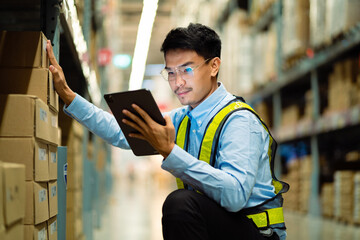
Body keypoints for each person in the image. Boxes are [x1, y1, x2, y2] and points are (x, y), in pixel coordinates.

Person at [47, 23, 288, 240]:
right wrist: (68, 96)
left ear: (214, 66)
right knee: (181, 206)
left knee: (180, 205)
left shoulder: (239, 122)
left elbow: (235, 196)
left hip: (259, 233)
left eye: (186, 70)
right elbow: (120, 132)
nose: (177, 82)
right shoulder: (184, 119)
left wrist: (169, 151)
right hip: (221, 225)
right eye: (170, 73)